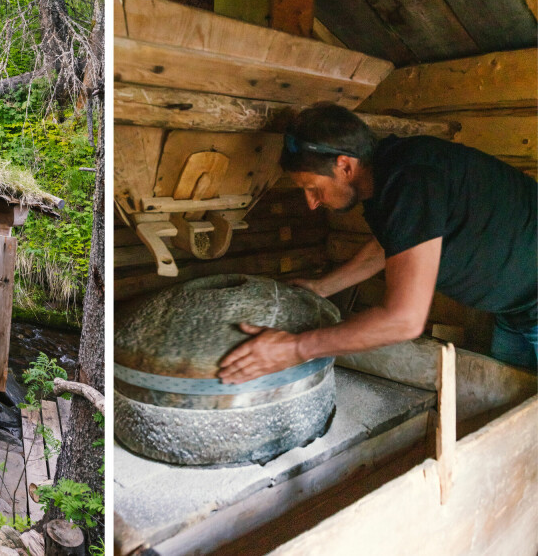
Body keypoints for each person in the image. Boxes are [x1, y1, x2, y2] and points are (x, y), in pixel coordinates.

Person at [218, 103, 537, 384]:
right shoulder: (387, 178)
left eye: (312, 188)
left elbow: (404, 320)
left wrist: (294, 349)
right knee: (518, 405)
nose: (311, 203)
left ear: (344, 166)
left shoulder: (411, 178)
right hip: (515, 309)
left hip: (533, 304)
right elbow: (391, 244)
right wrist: (322, 288)